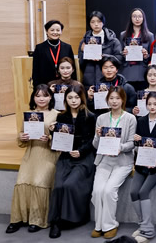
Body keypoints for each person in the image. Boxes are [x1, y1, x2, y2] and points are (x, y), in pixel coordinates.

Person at [6, 85, 59, 234]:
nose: (41, 99)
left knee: (39, 182)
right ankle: (18, 219)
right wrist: (21, 137)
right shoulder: (28, 114)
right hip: (31, 153)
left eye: (45, 95)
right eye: (38, 95)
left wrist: (49, 138)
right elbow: (21, 137)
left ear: (50, 97)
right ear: (33, 98)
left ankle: (37, 220)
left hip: (48, 154)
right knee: (21, 181)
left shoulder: (57, 115)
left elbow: (62, 139)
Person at [47, 84, 97, 239]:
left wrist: (81, 151)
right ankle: (56, 221)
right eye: (70, 98)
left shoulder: (90, 116)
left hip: (84, 157)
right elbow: (60, 140)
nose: (73, 100)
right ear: (65, 99)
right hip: (66, 157)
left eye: (76, 97)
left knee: (70, 184)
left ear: (82, 98)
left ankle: (72, 218)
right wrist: (52, 132)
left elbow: (93, 140)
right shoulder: (61, 117)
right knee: (58, 186)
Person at [91, 86, 137, 239]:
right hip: (104, 160)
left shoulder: (130, 118)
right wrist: (98, 136)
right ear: (107, 100)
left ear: (123, 100)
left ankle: (110, 225)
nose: (114, 101)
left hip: (123, 161)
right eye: (111, 98)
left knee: (109, 190)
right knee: (97, 191)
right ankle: (99, 225)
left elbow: (132, 143)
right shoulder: (101, 118)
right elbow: (95, 145)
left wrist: (120, 148)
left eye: (118, 98)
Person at [129, 91, 156, 243]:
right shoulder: (141, 121)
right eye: (149, 104)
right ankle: (143, 224)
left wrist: (155, 160)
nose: (152, 107)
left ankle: (148, 231)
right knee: (133, 192)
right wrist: (136, 140)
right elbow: (139, 143)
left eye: (155, 104)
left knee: (143, 192)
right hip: (142, 163)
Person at [79, 11, 124, 88]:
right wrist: (84, 52)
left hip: (108, 79)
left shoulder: (113, 41)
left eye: (99, 21)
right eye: (93, 22)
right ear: (89, 23)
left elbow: (119, 59)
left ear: (103, 22)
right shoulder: (84, 42)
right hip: (89, 80)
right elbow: (81, 64)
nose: (96, 24)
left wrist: (104, 57)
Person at [32, 19, 76, 88]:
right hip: (45, 85)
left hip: (65, 85)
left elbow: (73, 67)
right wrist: (37, 87)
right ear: (47, 31)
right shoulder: (39, 48)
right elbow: (36, 71)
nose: (55, 32)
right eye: (52, 30)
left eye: (58, 30)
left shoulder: (67, 47)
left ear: (61, 32)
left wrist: (73, 86)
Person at [120, 8, 155, 92]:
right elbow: (119, 54)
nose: (137, 19)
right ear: (131, 18)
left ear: (143, 18)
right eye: (134, 16)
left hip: (142, 72)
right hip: (127, 71)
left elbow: (152, 56)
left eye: (140, 16)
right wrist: (123, 53)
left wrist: (146, 55)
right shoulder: (123, 34)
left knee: (141, 97)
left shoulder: (149, 35)